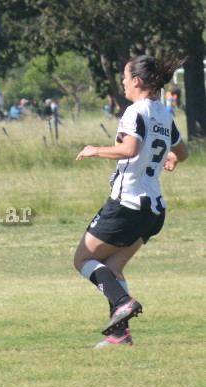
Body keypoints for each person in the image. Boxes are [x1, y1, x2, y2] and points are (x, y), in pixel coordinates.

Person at [74, 54, 189, 348]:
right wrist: (172, 158)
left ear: (136, 81)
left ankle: (123, 302)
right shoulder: (164, 113)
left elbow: (129, 148)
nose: (123, 83)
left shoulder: (134, 111)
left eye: (125, 77)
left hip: (127, 203)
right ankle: (119, 335)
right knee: (112, 268)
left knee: (84, 259)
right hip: (153, 209)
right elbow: (183, 151)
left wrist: (94, 150)